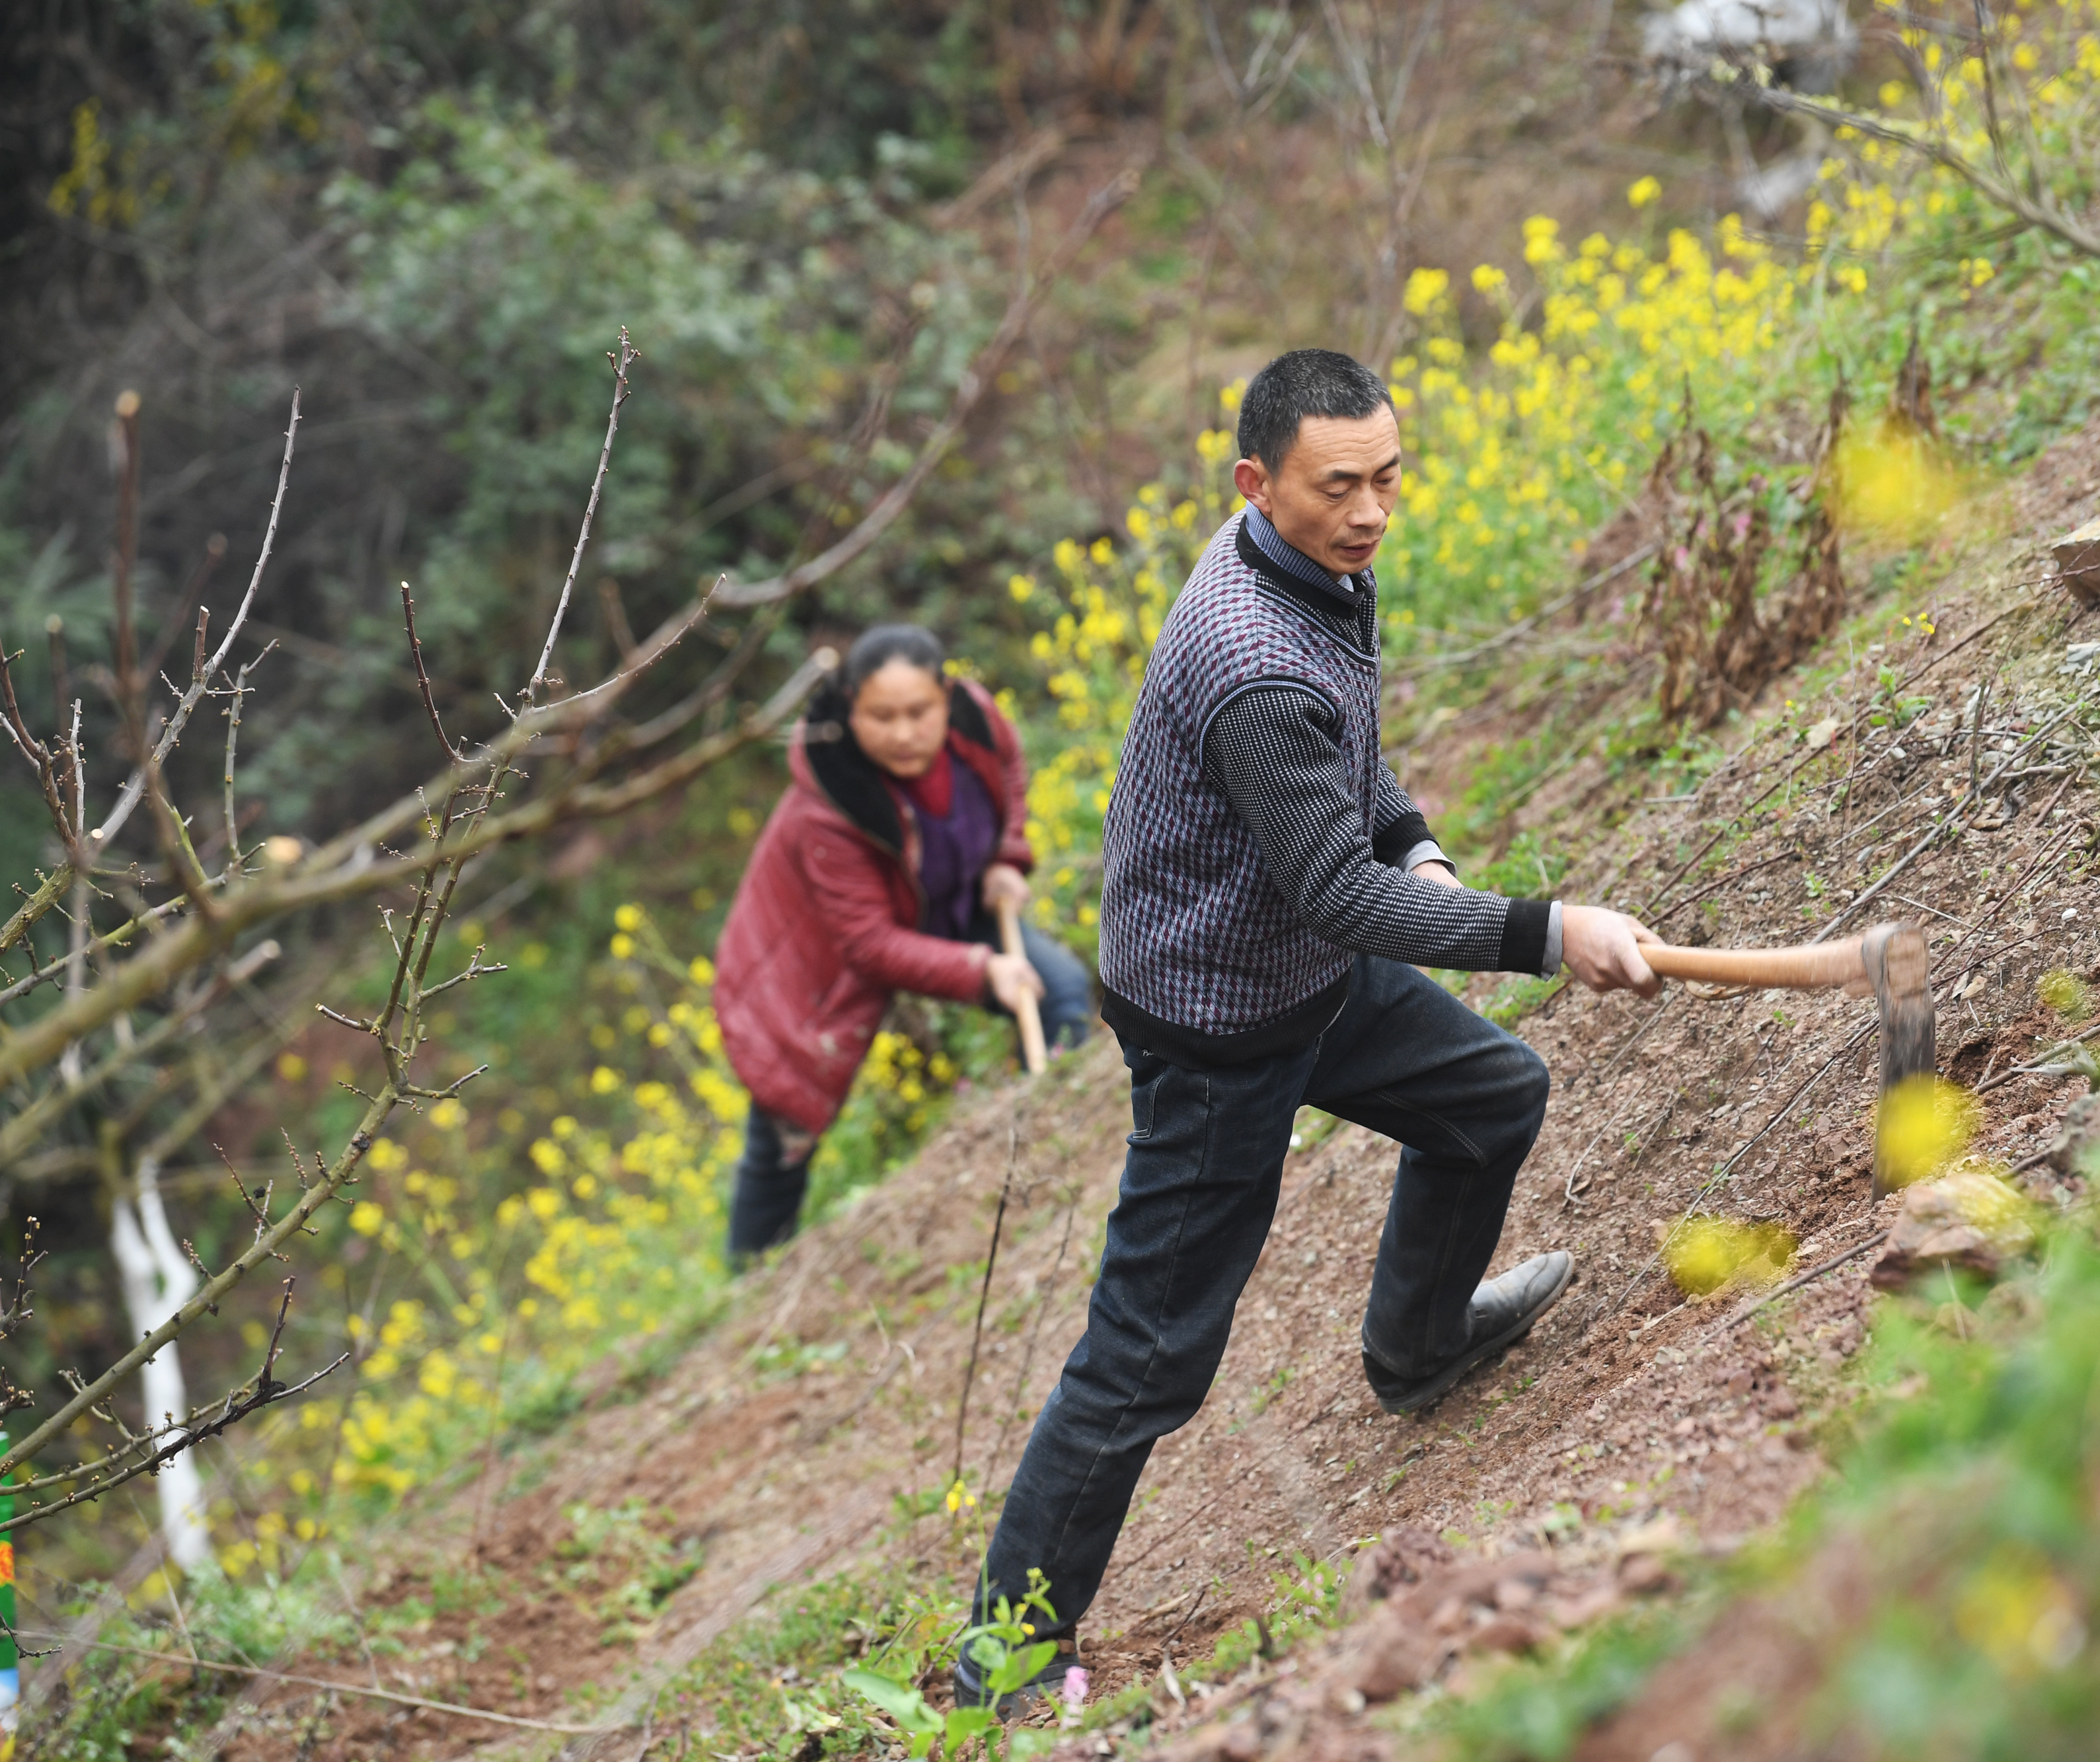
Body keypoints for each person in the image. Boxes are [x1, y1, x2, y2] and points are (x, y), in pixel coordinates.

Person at [962, 349, 1664, 1708]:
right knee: (1146, 1359)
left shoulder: (1309, 567)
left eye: (1388, 476)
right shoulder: (1246, 653)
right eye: (1339, 486)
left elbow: (1347, 773)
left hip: (1298, 968)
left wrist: (1421, 842)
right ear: (1255, 483)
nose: (1372, 510)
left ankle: (1417, 1347)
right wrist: (1541, 930)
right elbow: (1333, 886)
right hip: (1216, 1019)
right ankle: (999, 1658)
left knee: (1486, 1097)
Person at [712, 625, 1093, 1261]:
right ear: (850, 707)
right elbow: (867, 943)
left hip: (950, 901)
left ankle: (1060, 1159)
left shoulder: (976, 718)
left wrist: (1007, 854)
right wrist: (981, 969)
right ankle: (749, 1282)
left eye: (919, 712)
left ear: (946, 698)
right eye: (881, 716)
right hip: (817, 964)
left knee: (1061, 990)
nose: (904, 732)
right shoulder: (828, 805)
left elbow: (1010, 773)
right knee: (787, 1120)